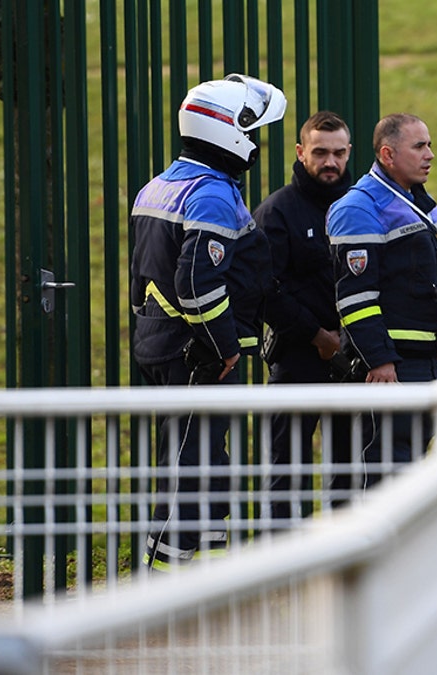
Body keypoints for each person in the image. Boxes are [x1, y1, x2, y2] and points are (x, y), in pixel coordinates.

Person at [129, 74, 287, 571]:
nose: (257, 143)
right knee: (193, 465)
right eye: (253, 131)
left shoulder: (160, 185)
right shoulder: (212, 195)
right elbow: (197, 284)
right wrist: (223, 346)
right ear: (228, 131)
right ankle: (164, 583)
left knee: (201, 461)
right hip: (196, 353)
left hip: (160, 343)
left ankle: (207, 573)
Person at [327, 113, 437, 487]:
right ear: (387, 154)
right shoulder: (359, 207)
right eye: (419, 146)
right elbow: (355, 297)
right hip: (388, 370)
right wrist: (380, 360)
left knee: (409, 475)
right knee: (381, 478)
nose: (430, 154)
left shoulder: (420, 201)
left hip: (421, 363)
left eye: (429, 144)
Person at [255, 111, 354, 519]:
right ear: (300, 152)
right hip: (297, 359)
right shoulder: (277, 211)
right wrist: (319, 337)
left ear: (349, 153)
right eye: (319, 153)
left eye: (338, 153)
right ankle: (280, 568)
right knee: (285, 469)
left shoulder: (361, 207)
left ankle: (343, 567)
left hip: (352, 359)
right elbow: (264, 289)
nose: (330, 162)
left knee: (349, 470)